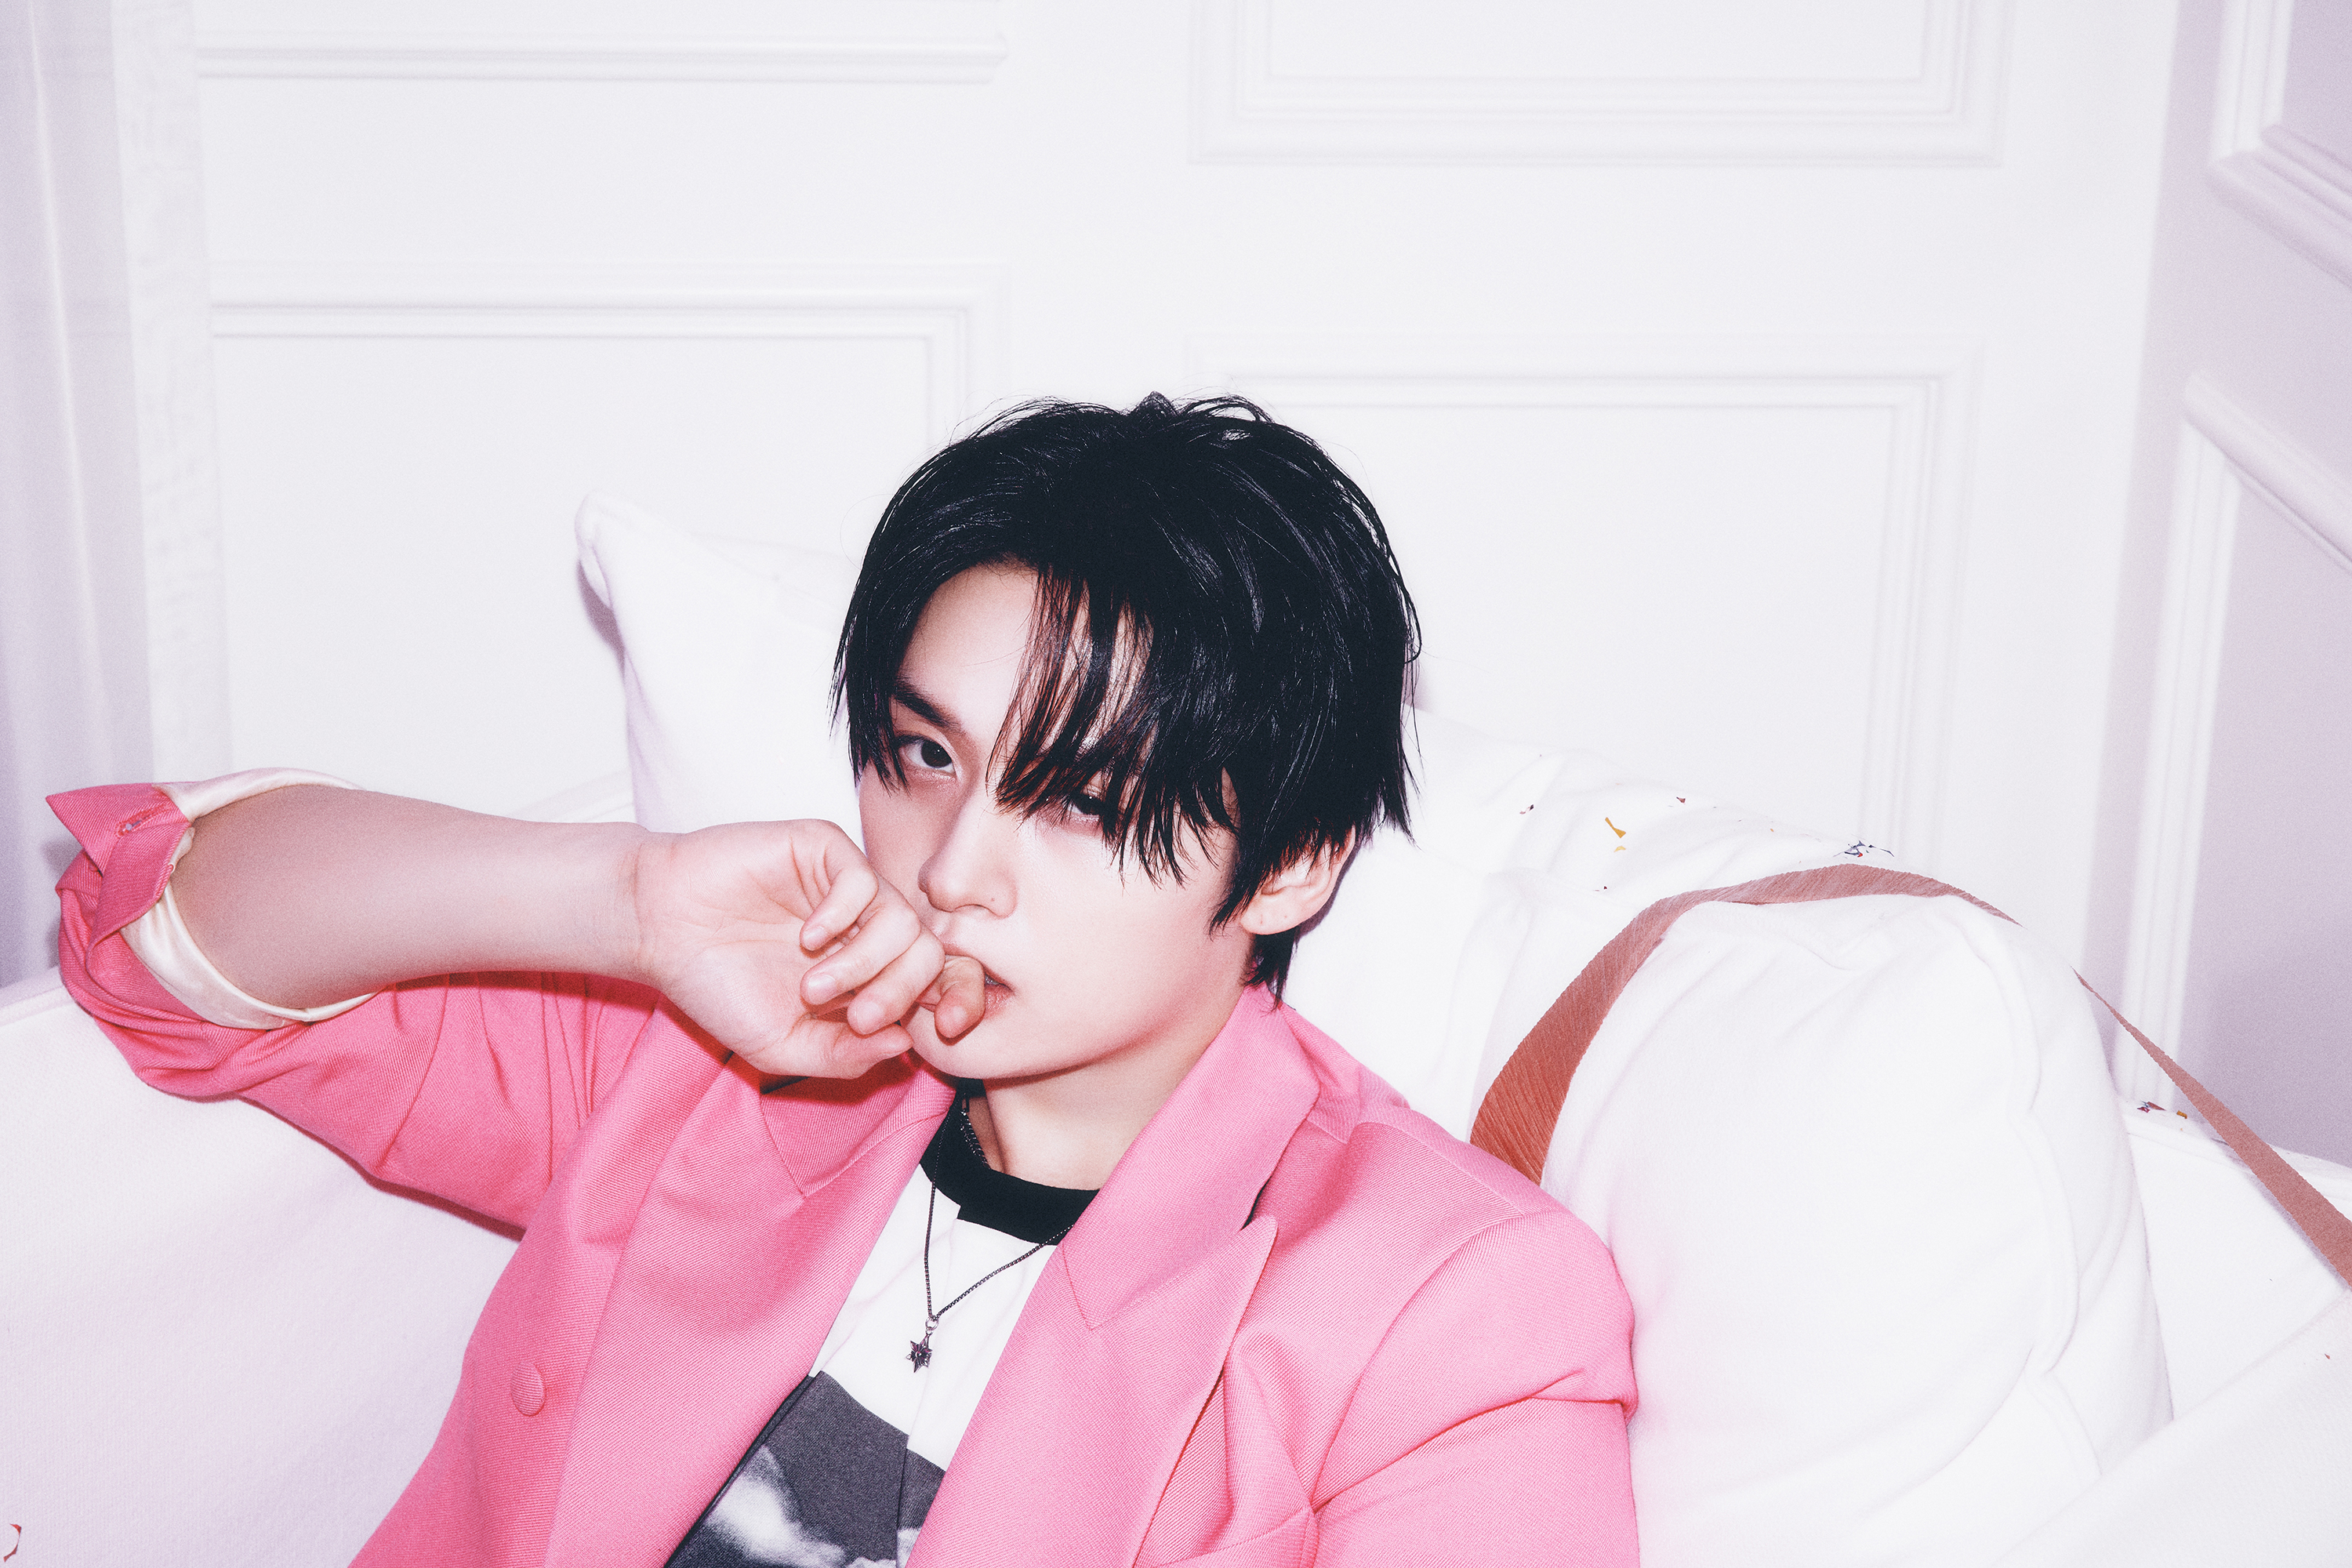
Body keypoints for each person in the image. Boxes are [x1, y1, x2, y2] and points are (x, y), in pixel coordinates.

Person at [51, 395, 1639, 1566]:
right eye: (924, 755)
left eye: (1082, 803)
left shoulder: (1446, 1310)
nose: (954, 867)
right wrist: (626, 899)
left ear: (1291, 862)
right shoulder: (720, 1058)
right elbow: (154, 943)